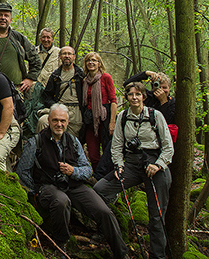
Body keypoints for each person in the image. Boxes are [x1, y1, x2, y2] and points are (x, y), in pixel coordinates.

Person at [16, 104, 128, 258]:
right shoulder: (36, 141)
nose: (59, 124)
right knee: (62, 201)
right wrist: (35, 191)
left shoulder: (73, 142)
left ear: (68, 122)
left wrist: (73, 171)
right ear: (48, 121)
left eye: (62, 120)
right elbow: (22, 171)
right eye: (55, 120)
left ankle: (121, 253)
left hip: (73, 185)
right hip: (48, 186)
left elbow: (87, 169)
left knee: (104, 211)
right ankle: (61, 245)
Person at [94, 82, 174, 259]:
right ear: (127, 97)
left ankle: (157, 255)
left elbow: (168, 146)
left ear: (144, 97)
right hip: (130, 163)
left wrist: (159, 164)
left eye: (138, 94)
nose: (134, 97)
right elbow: (116, 145)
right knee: (99, 190)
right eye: (131, 94)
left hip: (154, 165)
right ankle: (115, 235)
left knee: (156, 215)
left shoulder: (156, 115)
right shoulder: (123, 117)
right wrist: (118, 164)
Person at [0, 2, 41, 94]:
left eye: (6, 15)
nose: (3, 18)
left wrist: (30, 78)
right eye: (0, 15)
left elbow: (35, 60)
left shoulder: (18, 38)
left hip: (16, 89)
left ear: (10, 19)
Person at [38, 46, 85, 139]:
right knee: (42, 122)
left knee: (73, 140)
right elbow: (47, 95)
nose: (67, 56)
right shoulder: (55, 75)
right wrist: (55, 106)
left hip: (76, 111)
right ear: (59, 56)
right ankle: (43, 149)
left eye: (69, 54)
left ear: (74, 56)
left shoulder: (80, 74)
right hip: (60, 108)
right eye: (64, 54)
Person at [81, 52, 117, 170]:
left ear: (99, 63)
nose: (91, 62)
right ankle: (97, 174)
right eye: (88, 60)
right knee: (92, 153)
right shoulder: (84, 81)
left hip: (104, 117)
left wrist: (112, 122)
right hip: (90, 119)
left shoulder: (106, 77)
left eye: (94, 60)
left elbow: (113, 100)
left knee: (107, 148)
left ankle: (107, 175)